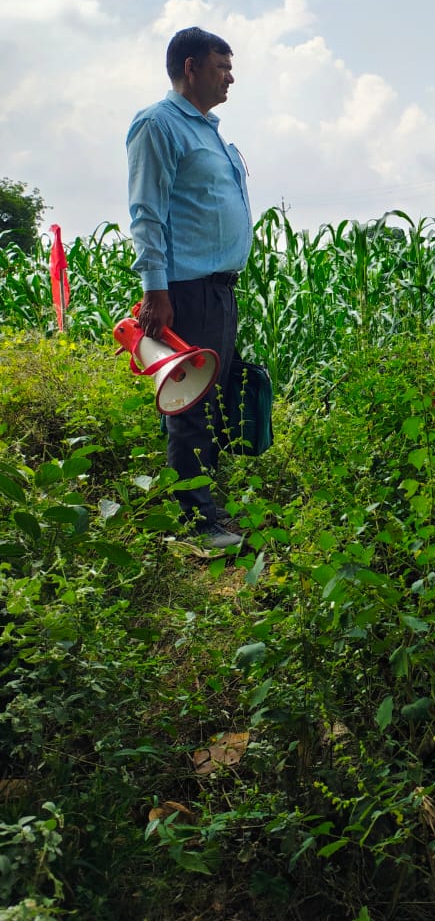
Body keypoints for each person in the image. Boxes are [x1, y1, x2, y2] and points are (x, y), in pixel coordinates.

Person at [126, 27, 253, 549]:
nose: (230, 76)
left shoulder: (210, 131)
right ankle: (196, 524)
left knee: (213, 399)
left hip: (217, 288)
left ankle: (206, 505)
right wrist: (156, 288)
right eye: (221, 66)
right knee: (189, 404)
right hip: (185, 288)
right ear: (190, 68)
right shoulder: (158, 125)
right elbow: (147, 212)